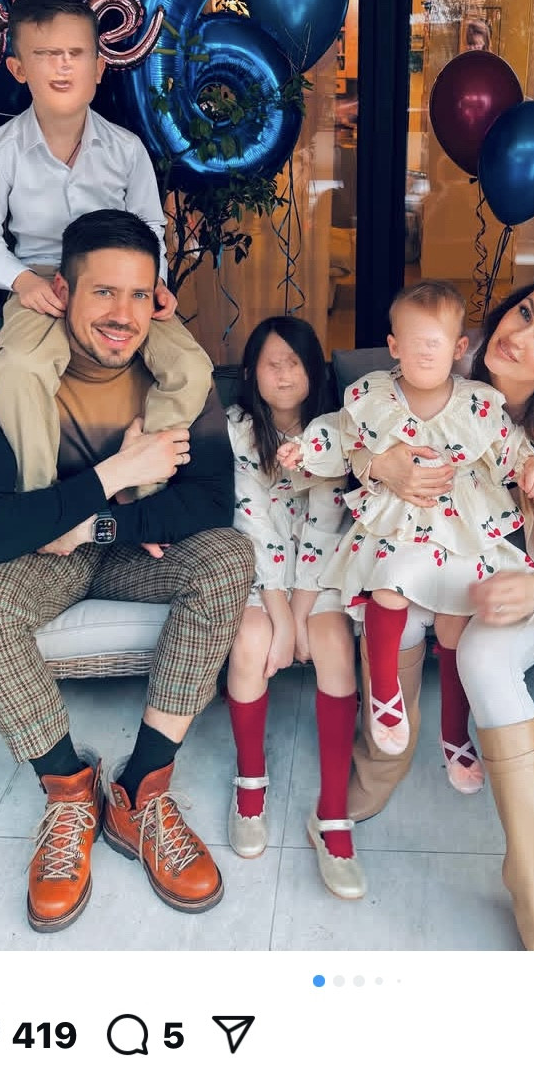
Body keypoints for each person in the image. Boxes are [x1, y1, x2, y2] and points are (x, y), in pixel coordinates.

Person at [0, 209, 254, 933]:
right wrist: (118, 472)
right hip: (37, 560)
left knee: (227, 560)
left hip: (119, 548)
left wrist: (97, 523)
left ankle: (141, 791)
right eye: (104, 292)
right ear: (61, 292)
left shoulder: (177, 373)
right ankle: (69, 793)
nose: (123, 315)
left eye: (140, 294)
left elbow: (210, 504)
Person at [346, 272, 534, 951]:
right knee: (396, 604)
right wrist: (382, 466)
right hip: (441, 550)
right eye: (525, 312)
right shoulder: (445, 361)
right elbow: (355, 435)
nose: (518, 336)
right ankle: (383, 762)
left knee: (482, 655)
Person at [278, 280, 534, 790]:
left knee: (456, 626)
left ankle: (454, 734)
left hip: (460, 522)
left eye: (436, 342)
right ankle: (384, 692)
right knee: (390, 580)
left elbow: (510, 445)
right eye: (414, 341)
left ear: (459, 347)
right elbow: (341, 431)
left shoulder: (477, 402)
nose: (425, 352)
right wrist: (306, 448)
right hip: (399, 518)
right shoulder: (373, 396)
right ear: (394, 346)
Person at [0, 0, 212, 499]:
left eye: (76, 54)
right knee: (20, 370)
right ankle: (43, 500)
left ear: (99, 67)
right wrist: (23, 282)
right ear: (18, 69)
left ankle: (140, 481)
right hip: (43, 285)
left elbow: (151, 227)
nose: (62, 66)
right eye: (45, 54)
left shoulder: (126, 150)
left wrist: (155, 283)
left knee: (191, 367)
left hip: (120, 283)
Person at [225, 318, 364, 899]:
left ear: (314, 371)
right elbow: (254, 524)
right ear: (252, 372)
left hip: (321, 569)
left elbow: (327, 525)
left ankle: (332, 814)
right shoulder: (238, 429)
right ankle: (250, 783)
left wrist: (304, 615)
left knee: (333, 647)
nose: (284, 374)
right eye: (271, 363)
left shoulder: (335, 432)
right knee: (250, 643)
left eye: (295, 362)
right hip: (260, 571)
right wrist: (282, 620)